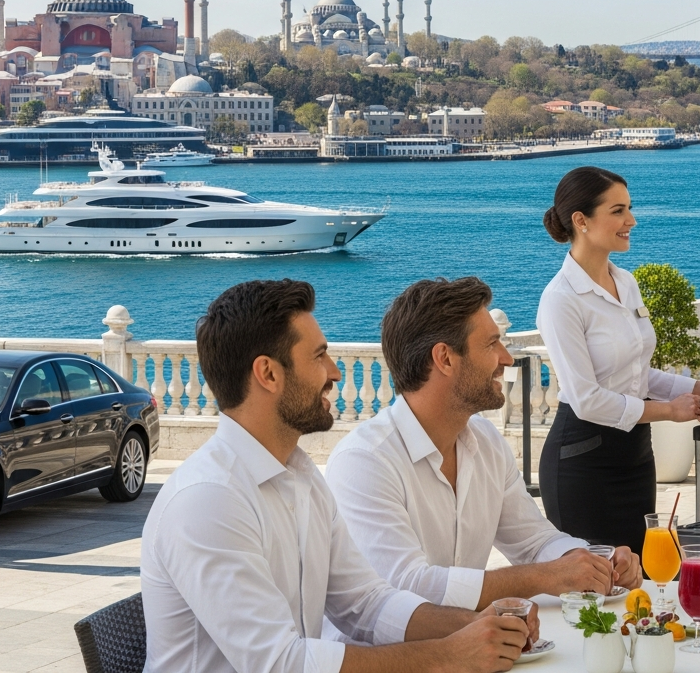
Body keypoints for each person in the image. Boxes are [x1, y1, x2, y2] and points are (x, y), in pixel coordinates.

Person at [140, 279, 539, 673]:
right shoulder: (209, 500)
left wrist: (478, 628)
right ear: (268, 374)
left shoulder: (301, 476)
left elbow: (366, 603)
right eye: (319, 356)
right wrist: (449, 655)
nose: (335, 372)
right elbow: (282, 664)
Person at [328, 277, 642, 613]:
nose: (506, 359)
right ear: (445, 359)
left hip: (469, 649)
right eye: (491, 344)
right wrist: (543, 576)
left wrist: (591, 561)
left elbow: (534, 543)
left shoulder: (486, 442)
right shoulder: (364, 461)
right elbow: (406, 586)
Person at [536, 166, 700, 556]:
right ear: (581, 221)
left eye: (629, 208)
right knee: (594, 589)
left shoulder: (626, 282)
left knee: (638, 582)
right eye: (617, 211)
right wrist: (668, 411)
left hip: (635, 456)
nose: (630, 220)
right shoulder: (561, 299)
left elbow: (636, 372)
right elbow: (586, 398)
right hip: (583, 461)